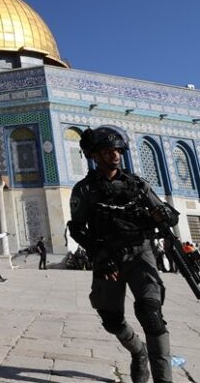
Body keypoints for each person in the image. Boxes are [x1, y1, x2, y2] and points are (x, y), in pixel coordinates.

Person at [68, 126, 179, 383]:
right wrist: (99, 254)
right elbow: (77, 228)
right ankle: (138, 351)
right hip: (108, 258)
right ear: (95, 155)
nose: (115, 155)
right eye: (108, 151)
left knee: (151, 315)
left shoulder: (137, 185)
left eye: (118, 150)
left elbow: (168, 214)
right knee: (111, 320)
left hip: (141, 253)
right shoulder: (85, 190)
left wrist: (166, 214)